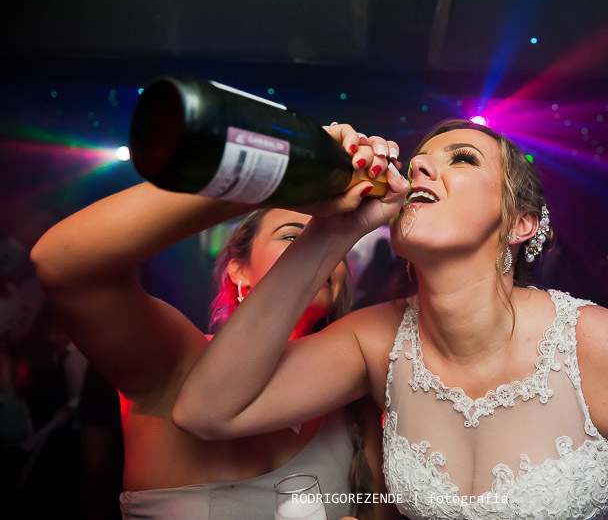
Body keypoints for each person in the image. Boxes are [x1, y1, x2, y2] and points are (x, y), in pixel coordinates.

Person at [174, 119, 608, 519]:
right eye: (419, 162)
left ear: (520, 224)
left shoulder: (597, 343)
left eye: (461, 159)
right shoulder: (374, 339)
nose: (421, 169)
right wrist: (331, 232)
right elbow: (206, 412)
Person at [31, 138, 397, 519]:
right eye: (292, 235)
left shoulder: (352, 393)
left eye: (333, 242)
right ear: (238, 270)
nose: (322, 248)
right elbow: (61, 264)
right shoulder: (177, 362)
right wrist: (281, 171)